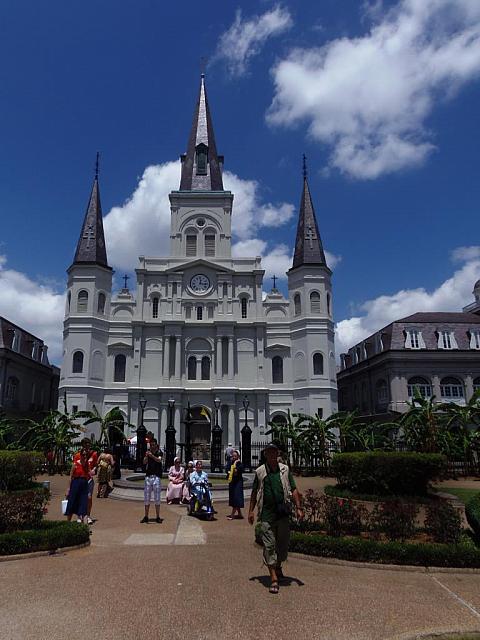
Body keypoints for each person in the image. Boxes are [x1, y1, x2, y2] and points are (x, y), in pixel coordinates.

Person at [248, 443, 304, 594]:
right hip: (267, 514)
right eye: (269, 453)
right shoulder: (260, 472)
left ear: (277, 454)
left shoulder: (285, 470)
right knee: (269, 545)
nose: (272, 455)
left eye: (275, 453)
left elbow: (293, 489)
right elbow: (254, 492)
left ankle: (278, 567)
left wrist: (298, 507)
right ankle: (273, 577)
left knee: (282, 544)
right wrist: (251, 512)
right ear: (265, 455)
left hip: (283, 513)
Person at [73, 438, 97, 524]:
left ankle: (88, 515)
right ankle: (80, 516)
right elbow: (75, 467)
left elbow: (95, 465)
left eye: (88, 444)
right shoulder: (77, 456)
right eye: (85, 444)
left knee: (89, 498)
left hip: (89, 479)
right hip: (80, 478)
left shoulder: (93, 454)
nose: (87, 446)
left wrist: (94, 470)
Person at [65, 443, 90, 524]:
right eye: (83, 455)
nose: (85, 456)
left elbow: (87, 475)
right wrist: (68, 488)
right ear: (80, 455)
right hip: (75, 483)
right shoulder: (75, 464)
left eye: (86, 455)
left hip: (84, 484)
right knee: (72, 501)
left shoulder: (87, 464)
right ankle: (68, 522)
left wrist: (88, 490)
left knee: (83, 503)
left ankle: (84, 524)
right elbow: (70, 476)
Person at [141, 439, 163, 523]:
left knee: (157, 497)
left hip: (156, 477)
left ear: (156, 445)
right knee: (147, 496)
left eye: (153, 445)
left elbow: (159, 460)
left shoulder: (159, 452)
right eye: (151, 445)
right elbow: (144, 462)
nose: (152, 446)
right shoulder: (148, 452)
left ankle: (158, 516)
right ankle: (146, 516)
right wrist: (147, 456)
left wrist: (152, 456)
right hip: (148, 476)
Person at [226, 450, 244, 520]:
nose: (233, 457)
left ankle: (232, 515)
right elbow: (227, 470)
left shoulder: (239, 463)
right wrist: (230, 471)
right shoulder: (230, 462)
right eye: (233, 456)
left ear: (238, 457)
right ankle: (239, 513)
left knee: (236, 497)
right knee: (234, 497)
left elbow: (236, 471)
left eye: (235, 456)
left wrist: (235, 464)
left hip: (238, 483)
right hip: (232, 482)